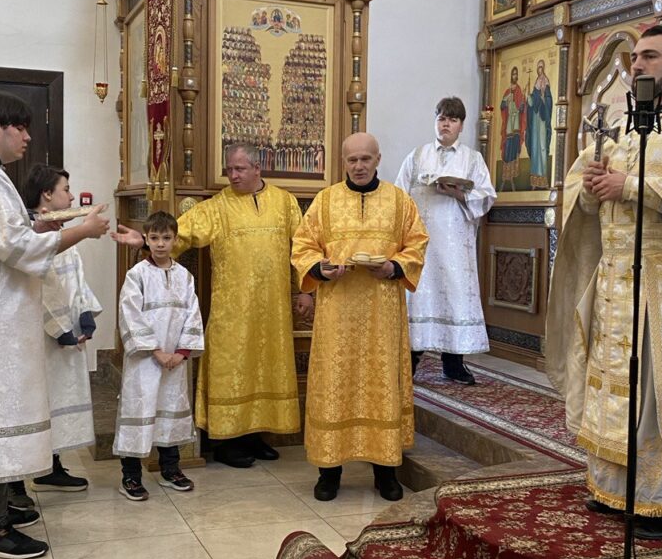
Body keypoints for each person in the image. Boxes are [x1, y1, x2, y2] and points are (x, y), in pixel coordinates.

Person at [547, 26, 662, 540]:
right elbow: (595, 192)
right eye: (635, 57)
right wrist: (590, 190)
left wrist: (626, 185)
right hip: (616, 280)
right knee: (614, 383)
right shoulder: (631, 127)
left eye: (650, 56)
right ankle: (614, 486)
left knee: (658, 395)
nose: (638, 65)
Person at [0, 91, 109, 559]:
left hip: (4, 315)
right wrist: (80, 231)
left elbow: (9, 239)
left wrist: (42, 229)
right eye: (21, 127)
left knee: (1, 414)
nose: (28, 137)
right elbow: (15, 250)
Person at [112, 143, 313, 467]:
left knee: (265, 368)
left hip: (273, 310)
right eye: (229, 169)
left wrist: (304, 290)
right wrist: (146, 240)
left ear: (257, 168)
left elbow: (300, 248)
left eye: (240, 169)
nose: (233, 175)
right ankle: (227, 442)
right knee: (231, 369)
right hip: (232, 311)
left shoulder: (284, 202)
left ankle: (255, 437)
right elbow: (182, 233)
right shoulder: (217, 207)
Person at [291, 132, 429, 502]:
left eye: (365, 159)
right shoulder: (325, 200)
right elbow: (303, 245)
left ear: (378, 159)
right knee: (334, 384)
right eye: (352, 160)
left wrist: (394, 266)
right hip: (336, 313)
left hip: (383, 313)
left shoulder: (399, 201)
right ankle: (329, 472)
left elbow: (417, 243)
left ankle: (386, 472)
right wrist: (319, 270)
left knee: (381, 384)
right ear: (343, 162)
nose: (359, 166)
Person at [395, 96, 496, 385]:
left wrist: (457, 192)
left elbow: (486, 196)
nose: (446, 124)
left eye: (452, 120)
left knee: (454, 296)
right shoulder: (417, 156)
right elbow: (399, 195)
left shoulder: (472, 159)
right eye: (441, 119)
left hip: (455, 244)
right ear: (435, 122)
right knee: (419, 296)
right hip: (421, 242)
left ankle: (453, 364)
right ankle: (411, 360)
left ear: (461, 125)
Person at [17, 164, 101, 493]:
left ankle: (51, 466)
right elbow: (40, 287)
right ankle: (18, 480)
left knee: (58, 399)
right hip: (41, 337)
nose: (71, 195)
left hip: (68, 333)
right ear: (47, 194)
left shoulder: (63, 235)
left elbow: (75, 280)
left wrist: (85, 316)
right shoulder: (32, 236)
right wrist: (60, 329)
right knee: (37, 403)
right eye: (66, 189)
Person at [113, 210, 204, 500]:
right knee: (139, 410)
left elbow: (193, 314)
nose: (161, 244)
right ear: (147, 240)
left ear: (175, 239)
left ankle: (170, 469)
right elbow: (130, 315)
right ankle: (130, 475)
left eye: (166, 238)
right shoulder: (137, 275)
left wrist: (181, 352)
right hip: (145, 360)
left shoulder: (185, 276)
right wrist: (155, 350)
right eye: (154, 238)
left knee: (169, 409)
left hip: (175, 360)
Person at [525, 60, 554, 189]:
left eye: (541, 68)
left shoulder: (546, 82)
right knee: (535, 148)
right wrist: (529, 97)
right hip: (535, 122)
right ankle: (534, 180)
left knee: (542, 147)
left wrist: (544, 99)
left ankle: (543, 178)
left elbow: (549, 101)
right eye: (538, 68)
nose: (539, 70)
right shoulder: (536, 83)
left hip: (542, 121)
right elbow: (532, 103)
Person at [499, 67, 526, 191]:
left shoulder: (519, 90)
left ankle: (512, 177)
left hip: (516, 127)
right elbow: (502, 106)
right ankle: (506, 177)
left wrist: (522, 106)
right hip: (509, 125)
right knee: (507, 149)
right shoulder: (507, 91)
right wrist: (505, 102)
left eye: (516, 74)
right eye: (513, 74)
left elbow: (522, 108)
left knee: (514, 149)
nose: (515, 76)